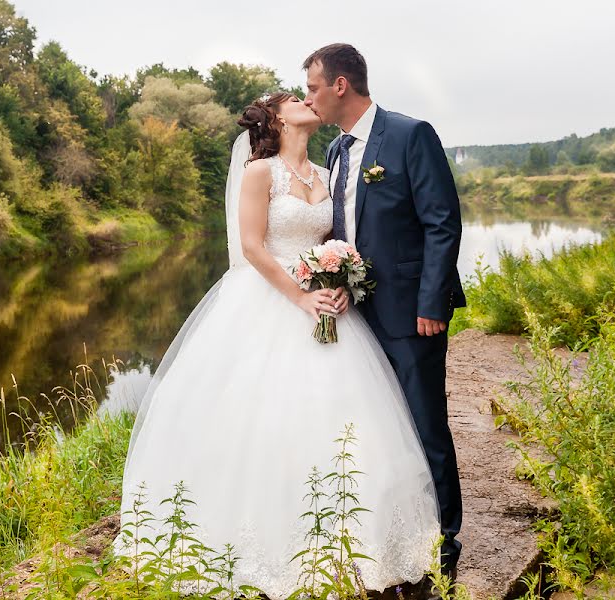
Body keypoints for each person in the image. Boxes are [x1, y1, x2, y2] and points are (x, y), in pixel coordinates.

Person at [112, 87, 441, 597]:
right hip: (270, 300)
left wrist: (339, 286)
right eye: (294, 98)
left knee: (342, 419)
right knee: (265, 418)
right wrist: (300, 298)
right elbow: (250, 246)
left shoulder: (327, 172)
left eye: (307, 93)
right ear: (275, 119)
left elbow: (339, 240)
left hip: (327, 305)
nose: (306, 101)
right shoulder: (260, 172)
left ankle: (351, 538)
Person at [303, 43, 465, 581]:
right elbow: (344, 231)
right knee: (376, 429)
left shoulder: (409, 134)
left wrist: (431, 303)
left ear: (340, 85)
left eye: (312, 87)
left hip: (410, 314)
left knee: (424, 423)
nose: (310, 98)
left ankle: (445, 537)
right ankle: (395, 530)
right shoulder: (334, 152)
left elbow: (442, 222)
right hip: (357, 316)